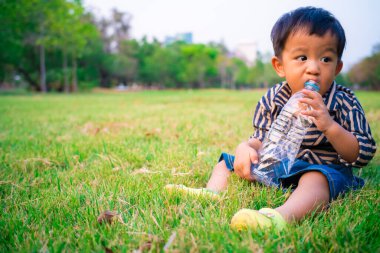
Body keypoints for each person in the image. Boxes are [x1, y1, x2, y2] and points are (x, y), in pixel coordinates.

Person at [165, 6, 377, 231]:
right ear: (280, 66)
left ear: (337, 68)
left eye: (326, 59)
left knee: (316, 180)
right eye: (302, 57)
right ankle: (212, 192)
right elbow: (261, 138)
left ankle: (279, 218)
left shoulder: (345, 102)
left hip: (324, 168)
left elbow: (360, 155)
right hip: (279, 165)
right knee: (226, 162)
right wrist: (245, 147)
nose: (313, 68)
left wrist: (329, 126)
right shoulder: (274, 98)